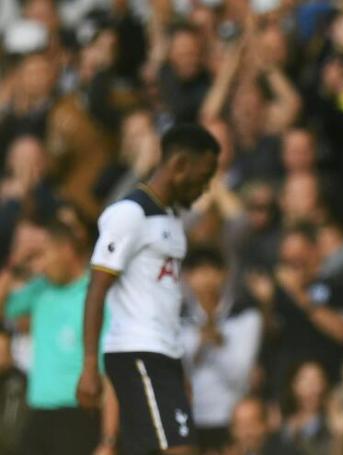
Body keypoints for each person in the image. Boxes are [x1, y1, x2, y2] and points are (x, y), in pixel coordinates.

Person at [76, 124, 220, 455]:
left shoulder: (171, 220)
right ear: (179, 164)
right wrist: (89, 366)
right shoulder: (129, 214)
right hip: (138, 351)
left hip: (163, 354)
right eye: (204, 176)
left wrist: (179, 366)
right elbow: (96, 289)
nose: (206, 187)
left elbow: (163, 299)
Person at [0, 221, 117, 455]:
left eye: (43, 255)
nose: (40, 266)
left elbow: (110, 373)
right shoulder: (40, 290)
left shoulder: (95, 296)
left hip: (78, 416)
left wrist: (108, 440)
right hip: (37, 414)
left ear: (66, 250)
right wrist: (15, 263)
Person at [179, 246, 262, 454]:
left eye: (212, 270)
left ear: (224, 274)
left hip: (231, 418)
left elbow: (240, 375)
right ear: (187, 277)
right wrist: (200, 342)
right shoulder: (178, 317)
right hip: (190, 418)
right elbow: (180, 371)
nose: (206, 279)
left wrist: (217, 341)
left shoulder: (245, 315)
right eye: (198, 271)